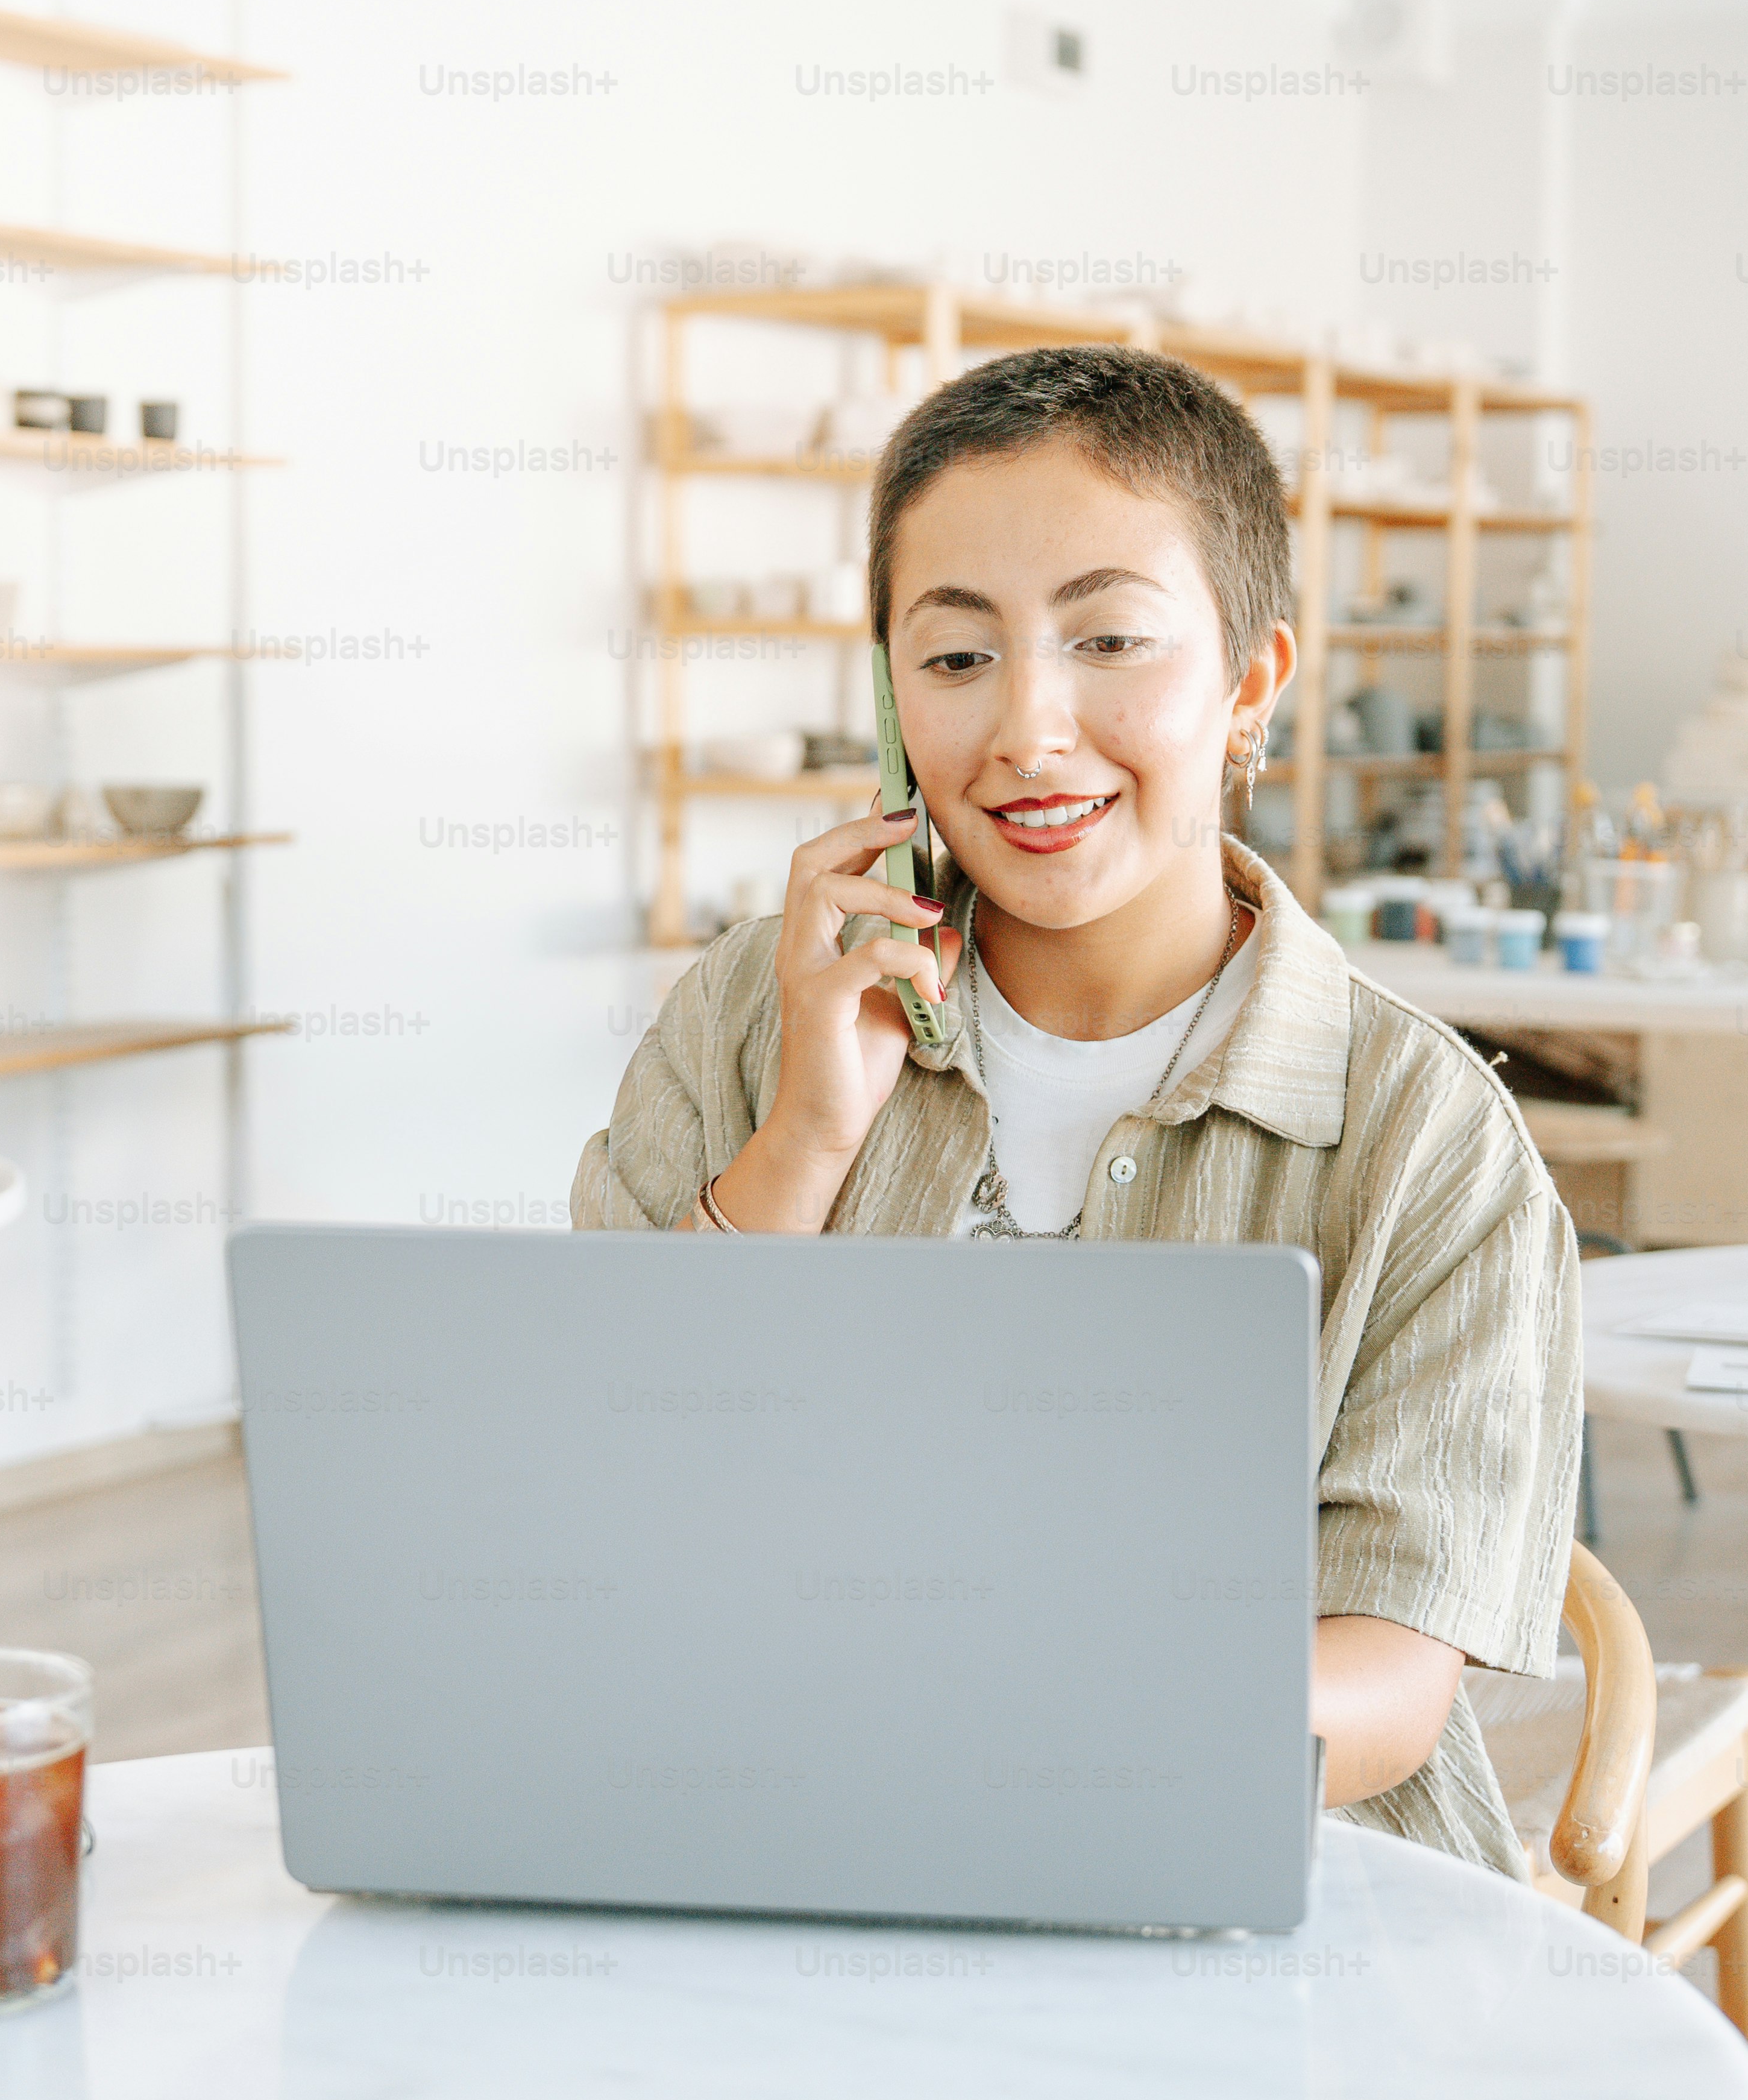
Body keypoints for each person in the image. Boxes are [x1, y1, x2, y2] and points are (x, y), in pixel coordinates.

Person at [573, 344, 1580, 1882]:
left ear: (1251, 684)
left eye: (1109, 639)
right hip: (797, 1834)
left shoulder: (1423, 1141)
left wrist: (1000, 1737)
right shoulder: (746, 1014)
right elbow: (604, 1483)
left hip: (1271, 1883)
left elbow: (1385, 1688)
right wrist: (798, 1149)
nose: (1029, 730)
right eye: (957, 657)